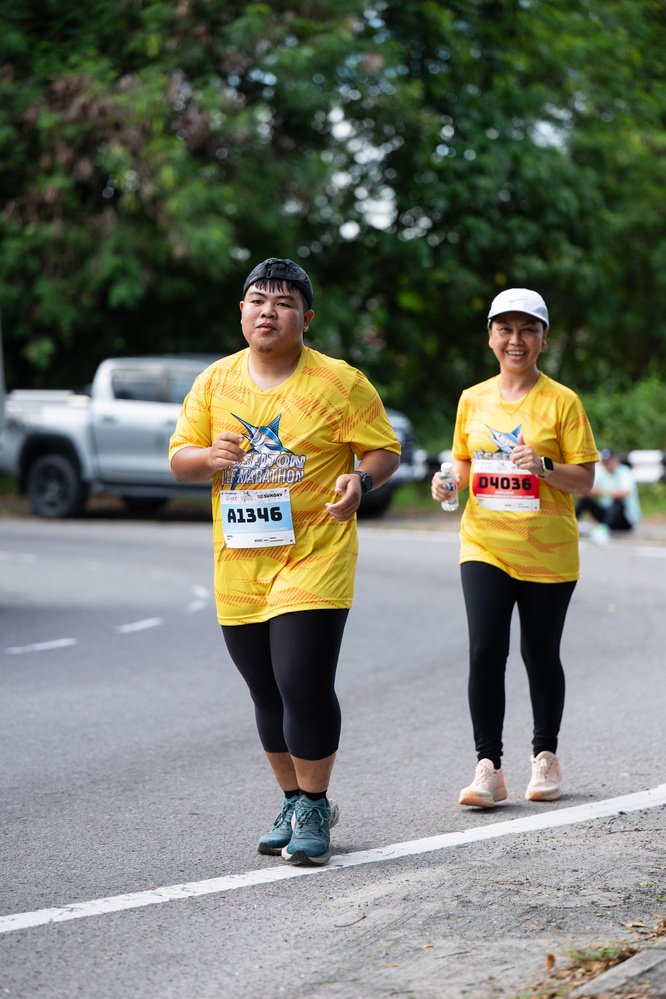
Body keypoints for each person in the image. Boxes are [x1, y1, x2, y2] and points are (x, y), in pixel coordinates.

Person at [169, 257, 400, 864]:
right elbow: (179, 459)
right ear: (242, 311)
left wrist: (360, 481)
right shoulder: (215, 382)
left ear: (306, 317)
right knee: (266, 689)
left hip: (315, 555)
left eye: (283, 302)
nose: (268, 311)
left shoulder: (341, 383)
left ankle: (316, 807)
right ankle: (293, 799)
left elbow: (384, 451)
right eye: (257, 300)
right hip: (239, 562)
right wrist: (207, 457)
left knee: (302, 680)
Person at [431, 288, 598, 807]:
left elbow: (585, 479)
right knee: (485, 650)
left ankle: (545, 757)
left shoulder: (562, 401)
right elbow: (463, 461)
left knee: (539, 654)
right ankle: (488, 768)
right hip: (484, 543)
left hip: (548, 550)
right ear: (490, 337)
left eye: (528, 330)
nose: (516, 340)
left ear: (544, 339)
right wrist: (449, 482)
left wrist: (544, 467)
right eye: (505, 329)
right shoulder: (472, 398)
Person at [575, 447, 641, 538]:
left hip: (625, 519)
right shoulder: (601, 472)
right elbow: (581, 494)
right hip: (607, 515)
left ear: (616, 460)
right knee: (586, 501)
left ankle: (603, 529)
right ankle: (572, 523)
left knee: (617, 502)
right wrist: (587, 492)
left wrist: (601, 492)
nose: (607, 465)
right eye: (605, 462)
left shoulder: (624, 471)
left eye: (609, 462)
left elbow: (626, 493)